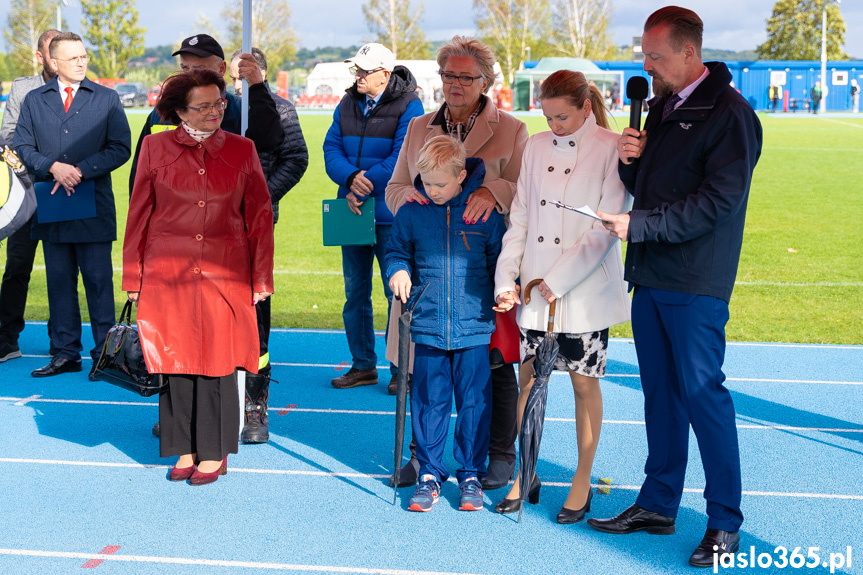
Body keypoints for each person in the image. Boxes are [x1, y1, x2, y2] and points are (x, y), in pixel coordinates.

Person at [587, 7, 762, 568]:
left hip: (696, 281)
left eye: (655, 56)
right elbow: (649, 189)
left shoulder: (731, 115)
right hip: (653, 275)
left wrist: (640, 226)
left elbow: (718, 202)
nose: (647, 65)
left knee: (703, 397)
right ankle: (658, 504)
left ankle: (724, 524)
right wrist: (630, 163)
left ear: (690, 54)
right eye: (644, 54)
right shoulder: (661, 107)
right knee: (661, 398)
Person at [385, 35, 528, 490]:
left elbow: (524, 191)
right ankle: (421, 457)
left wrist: (493, 191)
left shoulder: (511, 129)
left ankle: (499, 454)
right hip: (425, 268)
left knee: (494, 365)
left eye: (467, 77)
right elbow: (395, 187)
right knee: (420, 368)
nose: (456, 84)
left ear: (486, 80)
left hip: (481, 270)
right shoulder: (418, 127)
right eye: (449, 75)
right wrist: (407, 195)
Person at [122, 69, 275, 486]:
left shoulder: (243, 150)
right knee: (175, 358)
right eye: (203, 105)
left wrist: (262, 278)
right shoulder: (154, 147)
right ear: (179, 111)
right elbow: (139, 215)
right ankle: (184, 448)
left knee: (219, 360)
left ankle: (214, 452)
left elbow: (260, 217)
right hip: (165, 271)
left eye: (219, 103)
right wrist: (132, 276)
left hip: (226, 271)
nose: (214, 112)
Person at [492, 70, 630, 523]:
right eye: (548, 117)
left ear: (586, 106)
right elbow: (522, 218)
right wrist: (506, 279)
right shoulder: (533, 146)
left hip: (584, 291)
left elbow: (607, 228)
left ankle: (582, 479)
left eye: (563, 117)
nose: (554, 126)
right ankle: (524, 471)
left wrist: (559, 281)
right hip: (533, 290)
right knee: (528, 381)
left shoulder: (613, 147)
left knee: (582, 385)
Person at [385, 135, 505, 512]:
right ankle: (429, 473)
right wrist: (397, 270)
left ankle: (471, 473)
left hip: (473, 326)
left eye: (440, 183)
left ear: (461, 175)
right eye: (426, 182)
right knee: (428, 402)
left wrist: (505, 288)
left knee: (474, 403)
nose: (432, 190)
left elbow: (500, 260)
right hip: (428, 323)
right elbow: (396, 250)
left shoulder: (484, 214)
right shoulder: (412, 211)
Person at [14, 32, 131, 378]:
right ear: (54, 63)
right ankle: (65, 354)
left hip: (92, 204)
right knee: (59, 283)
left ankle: (104, 355)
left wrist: (80, 171)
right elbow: (22, 145)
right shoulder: (34, 101)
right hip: (52, 207)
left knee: (98, 282)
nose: (81, 62)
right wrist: (53, 167)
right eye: (74, 58)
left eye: (84, 56)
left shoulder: (107, 99)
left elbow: (120, 147)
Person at [323, 43, 424, 391]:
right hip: (351, 208)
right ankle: (363, 365)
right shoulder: (347, 102)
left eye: (364, 71)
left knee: (395, 293)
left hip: (390, 213)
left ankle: (402, 369)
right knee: (355, 293)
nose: (358, 76)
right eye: (357, 70)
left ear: (385, 73)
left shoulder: (410, 105)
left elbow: (403, 156)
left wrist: (361, 185)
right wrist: (351, 179)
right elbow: (330, 148)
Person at [229, 47, 309, 444]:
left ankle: (254, 405)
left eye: (250, 71)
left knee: (256, 313)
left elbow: (296, 158)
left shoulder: (279, 109)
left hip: (257, 227)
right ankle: (206, 403)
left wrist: (262, 199)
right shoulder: (216, 107)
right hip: (209, 229)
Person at [128, 34, 284, 199]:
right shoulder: (162, 113)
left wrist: (257, 87)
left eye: (199, 68)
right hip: (171, 218)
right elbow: (140, 174)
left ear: (222, 69)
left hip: (223, 216)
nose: (189, 75)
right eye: (185, 68)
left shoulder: (239, 110)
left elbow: (270, 140)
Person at [0, 28, 59, 363]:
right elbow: (8, 135)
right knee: (17, 266)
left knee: (60, 268)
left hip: (62, 193)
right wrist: (48, 157)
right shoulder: (23, 87)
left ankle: (60, 339)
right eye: (53, 52)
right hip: (25, 193)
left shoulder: (80, 89)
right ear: (40, 56)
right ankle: (7, 339)